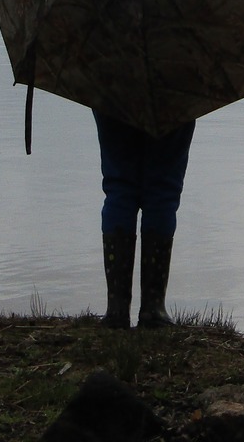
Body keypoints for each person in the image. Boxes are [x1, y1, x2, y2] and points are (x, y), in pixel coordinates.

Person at [93, 109, 196, 329]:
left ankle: (117, 310)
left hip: (110, 84)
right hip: (176, 89)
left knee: (119, 186)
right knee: (163, 189)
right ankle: (153, 309)